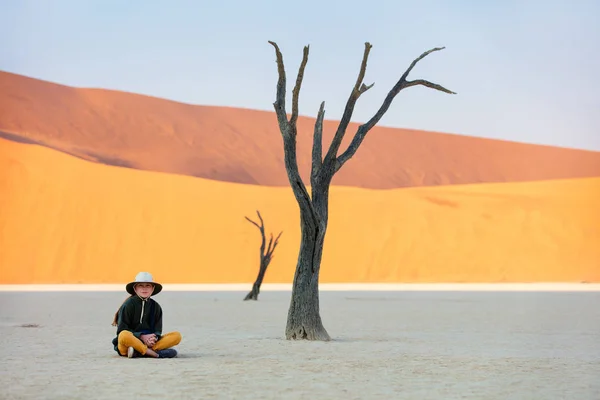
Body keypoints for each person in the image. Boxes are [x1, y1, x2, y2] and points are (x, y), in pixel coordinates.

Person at [111, 272, 182, 358]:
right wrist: (141, 336)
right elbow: (121, 330)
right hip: (129, 342)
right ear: (135, 288)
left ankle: (138, 352)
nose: (144, 288)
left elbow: (157, 330)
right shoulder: (128, 305)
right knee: (124, 335)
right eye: (141, 285)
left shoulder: (156, 306)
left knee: (176, 336)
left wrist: (154, 338)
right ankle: (154, 353)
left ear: (152, 289)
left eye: (148, 285)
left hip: (149, 343)